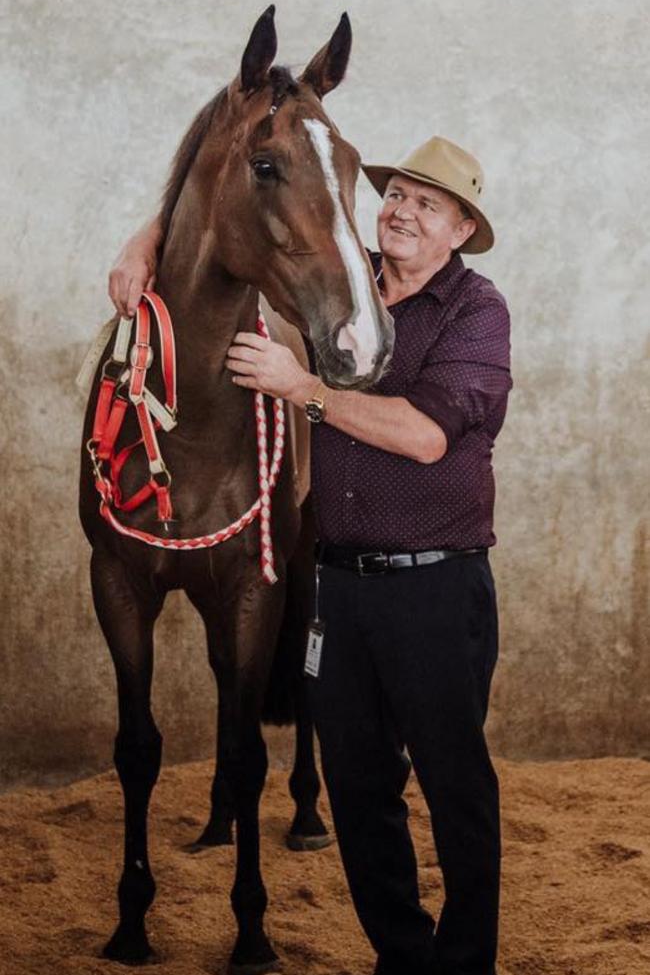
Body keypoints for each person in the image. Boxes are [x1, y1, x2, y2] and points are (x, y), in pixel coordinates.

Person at [109, 135, 512, 975]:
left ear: (462, 230)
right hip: (335, 586)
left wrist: (308, 392)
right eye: (396, 193)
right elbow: (232, 225)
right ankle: (404, 957)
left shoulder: (477, 311)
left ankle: (465, 962)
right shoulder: (341, 279)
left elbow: (430, 436)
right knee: (361, 794)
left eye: (426, 204)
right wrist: (143, 238)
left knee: (455, 789)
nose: (401, 210)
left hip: (435, 588)